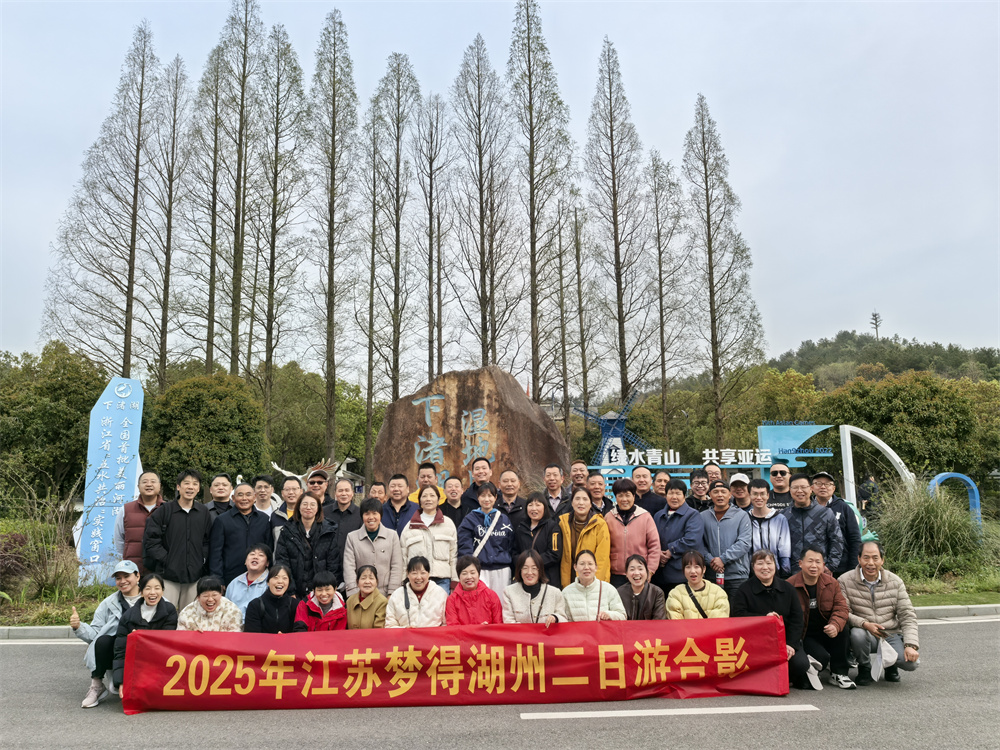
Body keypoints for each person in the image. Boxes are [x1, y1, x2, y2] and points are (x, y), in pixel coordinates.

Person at [839, 541, 920, 685]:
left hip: (890, 633)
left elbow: (907, 615)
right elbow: (844, 612)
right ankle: (864, 667)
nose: (870, 563)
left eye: (875, 558)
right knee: (857, 635)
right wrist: (865, 624)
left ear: (882, 560)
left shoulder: (895, 581)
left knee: (911, 664)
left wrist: (911, 645)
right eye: (866, 557)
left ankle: (891, 665)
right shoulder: (844, 581)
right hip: (864, 633)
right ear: (859, 559)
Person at [732, 550, 812, 689]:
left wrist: (791, 644)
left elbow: (797, 619)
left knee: (800, 664)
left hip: (784, 642)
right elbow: (737, 616)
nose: (765, 567)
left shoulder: (788, 588)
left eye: (769, 563)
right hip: (755, 643)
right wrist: (763, 619)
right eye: (760, 563)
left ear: (775, 565)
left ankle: (789, 676)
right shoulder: (744, 590)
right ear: (753, 566)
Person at [71, 560, 142, 708]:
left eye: (126, 576)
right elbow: (95, 634)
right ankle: (97, 686)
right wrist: (79, 627)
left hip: (145, 651)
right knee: (102, 641)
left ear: (137, 576)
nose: (122, 581)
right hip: (118, 652)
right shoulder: (108, 603)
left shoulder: (152, 597)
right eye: (118, 578)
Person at [143, 469, 212, 611]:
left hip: (194, 576)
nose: (190, 487)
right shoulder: (164, 511)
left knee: (190, 616)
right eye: (186, 483)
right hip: (168, 576)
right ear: (178, 487)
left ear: (198, 489)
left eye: (195, 484)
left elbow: (207, 540)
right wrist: (167, 560)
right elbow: (151, 541)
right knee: (164, 614)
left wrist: (201, 558)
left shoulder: (203, 512)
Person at [789, 546, 854, 689]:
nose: (814, 565)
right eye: (810, 561)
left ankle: (839, 673)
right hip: (805, 635)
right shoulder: (790, 585)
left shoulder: (832, 583)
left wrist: (835, 625)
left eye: (818, 562)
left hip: (826, 630)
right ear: (800, 563)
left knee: (843, 627)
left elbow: (842, 608)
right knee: (822, 658)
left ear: (823, 565)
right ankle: (815, 665)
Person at [111, 573, 177, 690]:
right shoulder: (128, 616)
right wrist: (121, 681)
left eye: (157, 588)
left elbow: (167, 642)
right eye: (148, 588)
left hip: (162, 663)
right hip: (137, 664)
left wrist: (141, 637)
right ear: (141, 592)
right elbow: (121, 650)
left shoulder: (169, 610)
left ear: (162, 591)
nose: (152, 592)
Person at [274, 494, 341, 599]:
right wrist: (290, 591)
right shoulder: (287, 531)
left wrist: (324, 591)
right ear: (298, 507)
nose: (308, 507)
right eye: (305, 504)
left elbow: (333, 565)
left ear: (318, 508)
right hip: (295, 593)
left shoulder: (328, 531)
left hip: (321, 593)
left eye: (312, 504)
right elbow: (282, 562)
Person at [457, 482, 515, 595]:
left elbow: (510, 544)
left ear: (495, 497)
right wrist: (469, 568)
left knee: (501, 602)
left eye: (490, 495)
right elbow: (464, 546)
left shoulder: (503, 519)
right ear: (478, 497)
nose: (486, 499)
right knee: (479, 602)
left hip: (502, 569)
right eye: (483, 495)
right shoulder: (470, 519)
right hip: (479, 569)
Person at [208, 482, 271, 585]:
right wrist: (217, 580)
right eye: (240, 495)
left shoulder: (264, 519)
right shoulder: (222, 520)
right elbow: (215, 553)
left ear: (254, 497)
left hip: (259, 578)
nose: (244, 498)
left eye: (248, 494)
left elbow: (269, 548)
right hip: (230, 577)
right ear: (233, 498)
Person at [400, 485, 458, 594]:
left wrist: (455, 580)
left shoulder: (448, 523)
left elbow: (453, 555)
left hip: (442, 579)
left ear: (438, 500)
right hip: (416, 580)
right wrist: (404, 579)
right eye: (424, 496)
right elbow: (404, 556)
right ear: (420, 501)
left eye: (432, 495)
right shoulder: (410, 526)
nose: (428, 499)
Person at [782, 473, 844, 574]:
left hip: (819, 570)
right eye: (795, 487)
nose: (799, 491)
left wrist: (831, 566)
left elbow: (837, 540)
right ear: (790, 490)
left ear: (811, 489)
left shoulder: (825, 513)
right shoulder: (784, 515)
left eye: (803, 487)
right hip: (792, 572)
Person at [701, 480, 752, 601]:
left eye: (723, 492)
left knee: (736, 610)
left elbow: (744, 543)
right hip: (712, 574)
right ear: (710, 495)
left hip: (737, 575)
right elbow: (699, 543)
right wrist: (711, 561)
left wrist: (723, 559)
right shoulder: (702, 516)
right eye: (716, 492)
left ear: (730, 495)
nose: (720, 495)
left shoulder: (741, 515)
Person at [605, 477, 661, 588]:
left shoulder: (645, 516)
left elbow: (654, 546)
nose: (624, 499)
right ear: (615, 497)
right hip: (615, 574)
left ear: (634, 496)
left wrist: (650, 570)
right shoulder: (608, 517)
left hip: (639, 573)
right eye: (620, 495)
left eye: (628, 495)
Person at [343, 497, 404, 597]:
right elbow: (349, 567)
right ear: (362, 516)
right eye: (367, 514)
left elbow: (396, 566)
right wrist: (354, 595)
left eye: (375, 513)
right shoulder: (352, 537)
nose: (371, 517)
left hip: (385, 594)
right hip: (360, 595)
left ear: (380, 515)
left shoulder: (392, 536)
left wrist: (392, 593)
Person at [652, 478, 705, 593]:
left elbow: (692, 540)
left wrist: (670, 551)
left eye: (678, 493)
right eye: (671, 493)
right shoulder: (658, 515)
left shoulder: (693, 515)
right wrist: (658, 552)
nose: (674, 497)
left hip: (681, 573)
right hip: (660, 573)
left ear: (684, 496)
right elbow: (652, 538)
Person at [811, 472, 862, 578]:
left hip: (841, 568)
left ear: (833, 488)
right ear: (812, 487)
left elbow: (854, 538)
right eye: (819, 483)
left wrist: (853, 568)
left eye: (827, 484)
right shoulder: (807, 507)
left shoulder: (844, 508)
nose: (823, 487)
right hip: (812, 567)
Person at [557, 487, 611, 587]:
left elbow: (602, 559)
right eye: (577, 499)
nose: (581, 503)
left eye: (585, 499)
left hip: (593, 581)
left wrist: (594, 585)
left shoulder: (599, 524)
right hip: (569, 580)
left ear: (590, 504)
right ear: (572, 503)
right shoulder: (563, 523)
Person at [113, 470, 163, 574]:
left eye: (153, 481)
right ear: (138, 486)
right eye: (144, 482)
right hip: (133, 569)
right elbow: (119, 539)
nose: (149, 484)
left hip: (161, 569)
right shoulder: (126, 509)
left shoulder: (168, 509)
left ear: (159, 486)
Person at [501, 550, 567, 625]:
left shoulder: (555, 593)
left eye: (534, 568)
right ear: (520, 570)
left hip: (548, 633)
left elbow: (564, 619)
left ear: (540, 570)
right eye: (525, 568)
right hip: (519, 633)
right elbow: (508, 622)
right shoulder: (509, 592)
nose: (529, 572)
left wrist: (555, 618)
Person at [513, 492, 563, 589]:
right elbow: (514, 551)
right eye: (530, 505)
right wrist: (523, 563)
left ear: (544, 507)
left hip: (547, 579)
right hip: (526, 578)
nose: (534, 508)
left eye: (538, 505)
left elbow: (554, 554)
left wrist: (533, 563)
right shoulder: (521, 527)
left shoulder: (553, 527)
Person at [561, 549, 626, 622]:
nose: (586, 567)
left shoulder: (608, 589)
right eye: (582, 564)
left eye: (590, 564)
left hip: (602, 630)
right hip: (577, 630)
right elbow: (563, 619)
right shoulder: (566, 592)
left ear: (596, 567)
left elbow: (622, 616)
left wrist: (609, 615)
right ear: (575, 567)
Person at [385, 556, 448, 628]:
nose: (418, 577)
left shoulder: (440, 594)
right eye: (414, 573)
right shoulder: (396, 595)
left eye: (423, 573)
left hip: (433, 635)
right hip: (404, 635)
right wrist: (405, 630)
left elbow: (446, 625)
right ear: (407, 574)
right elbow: (390, 625)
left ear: (429, 574)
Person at [666, 551, 730, 619]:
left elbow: (719, 621)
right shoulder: (675, 594)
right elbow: (675, 621)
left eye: (696, 567)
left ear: (704, 569)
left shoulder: (718, 593)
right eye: (688, 567)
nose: (693, 571)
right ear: (683, 570)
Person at [748, 477, 792, 577]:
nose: (759, 497)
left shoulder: (779, 518)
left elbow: (784, 547)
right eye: (755, 494)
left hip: (774, 571)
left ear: (768, 495)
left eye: (762, 494)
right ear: (749, 495)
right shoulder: (745, 519)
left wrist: (785, 572)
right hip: (751, 572)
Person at [446, 555, 504, 625]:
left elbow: (498, 624)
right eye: (464, 573)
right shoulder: (452, 600)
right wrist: (476, 630)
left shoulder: (491, 596)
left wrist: (487, 629)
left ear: (478, 575)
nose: (469, 577)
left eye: (472, 573)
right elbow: (453, 627)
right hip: (463, 633)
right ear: (459, 577)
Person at [176, 576, 243, 632]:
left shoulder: (233, 611)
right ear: (198, 597)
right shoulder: (187, 613)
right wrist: (193, 635)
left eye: (214, 595)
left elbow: (235, 637)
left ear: (221, 594)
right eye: (206, 596)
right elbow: (181, 638)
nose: (210, 599)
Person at [244, 564, 297, 634]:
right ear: (268, 582)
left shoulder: (295, 605)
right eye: (276, 577)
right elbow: (252, 635)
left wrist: (285, 638)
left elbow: (298, 633)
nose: (280, 581)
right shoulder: (255, 605)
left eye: (284, 578)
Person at [327, 477, 363, 574]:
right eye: (340, 491)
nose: (344, 494)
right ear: (335, 493)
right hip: (328, 567)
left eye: (347, 490)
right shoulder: (324, 513)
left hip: (352, 567)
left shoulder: (360, 514)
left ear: (352, 493)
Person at [225, 543, 271, 616]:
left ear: (267, 563)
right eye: (252, 554)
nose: (255, 557)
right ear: (245, 561)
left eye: (261, 555)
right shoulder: (234, 583)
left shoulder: (270, 582)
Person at [617, 554, 666, 620]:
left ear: (647, 572)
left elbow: (659, 620)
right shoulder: (619, 593)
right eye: (632, 569)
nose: (637, 573)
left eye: (640, 569)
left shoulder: (656, 592)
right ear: (626, 574)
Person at [271, 475, 304, 545]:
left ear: (301, 491)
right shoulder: (275, 516)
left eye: (294, 489)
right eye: (287, 489)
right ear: (282, 493)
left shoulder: (307, 514)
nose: (291, 492)